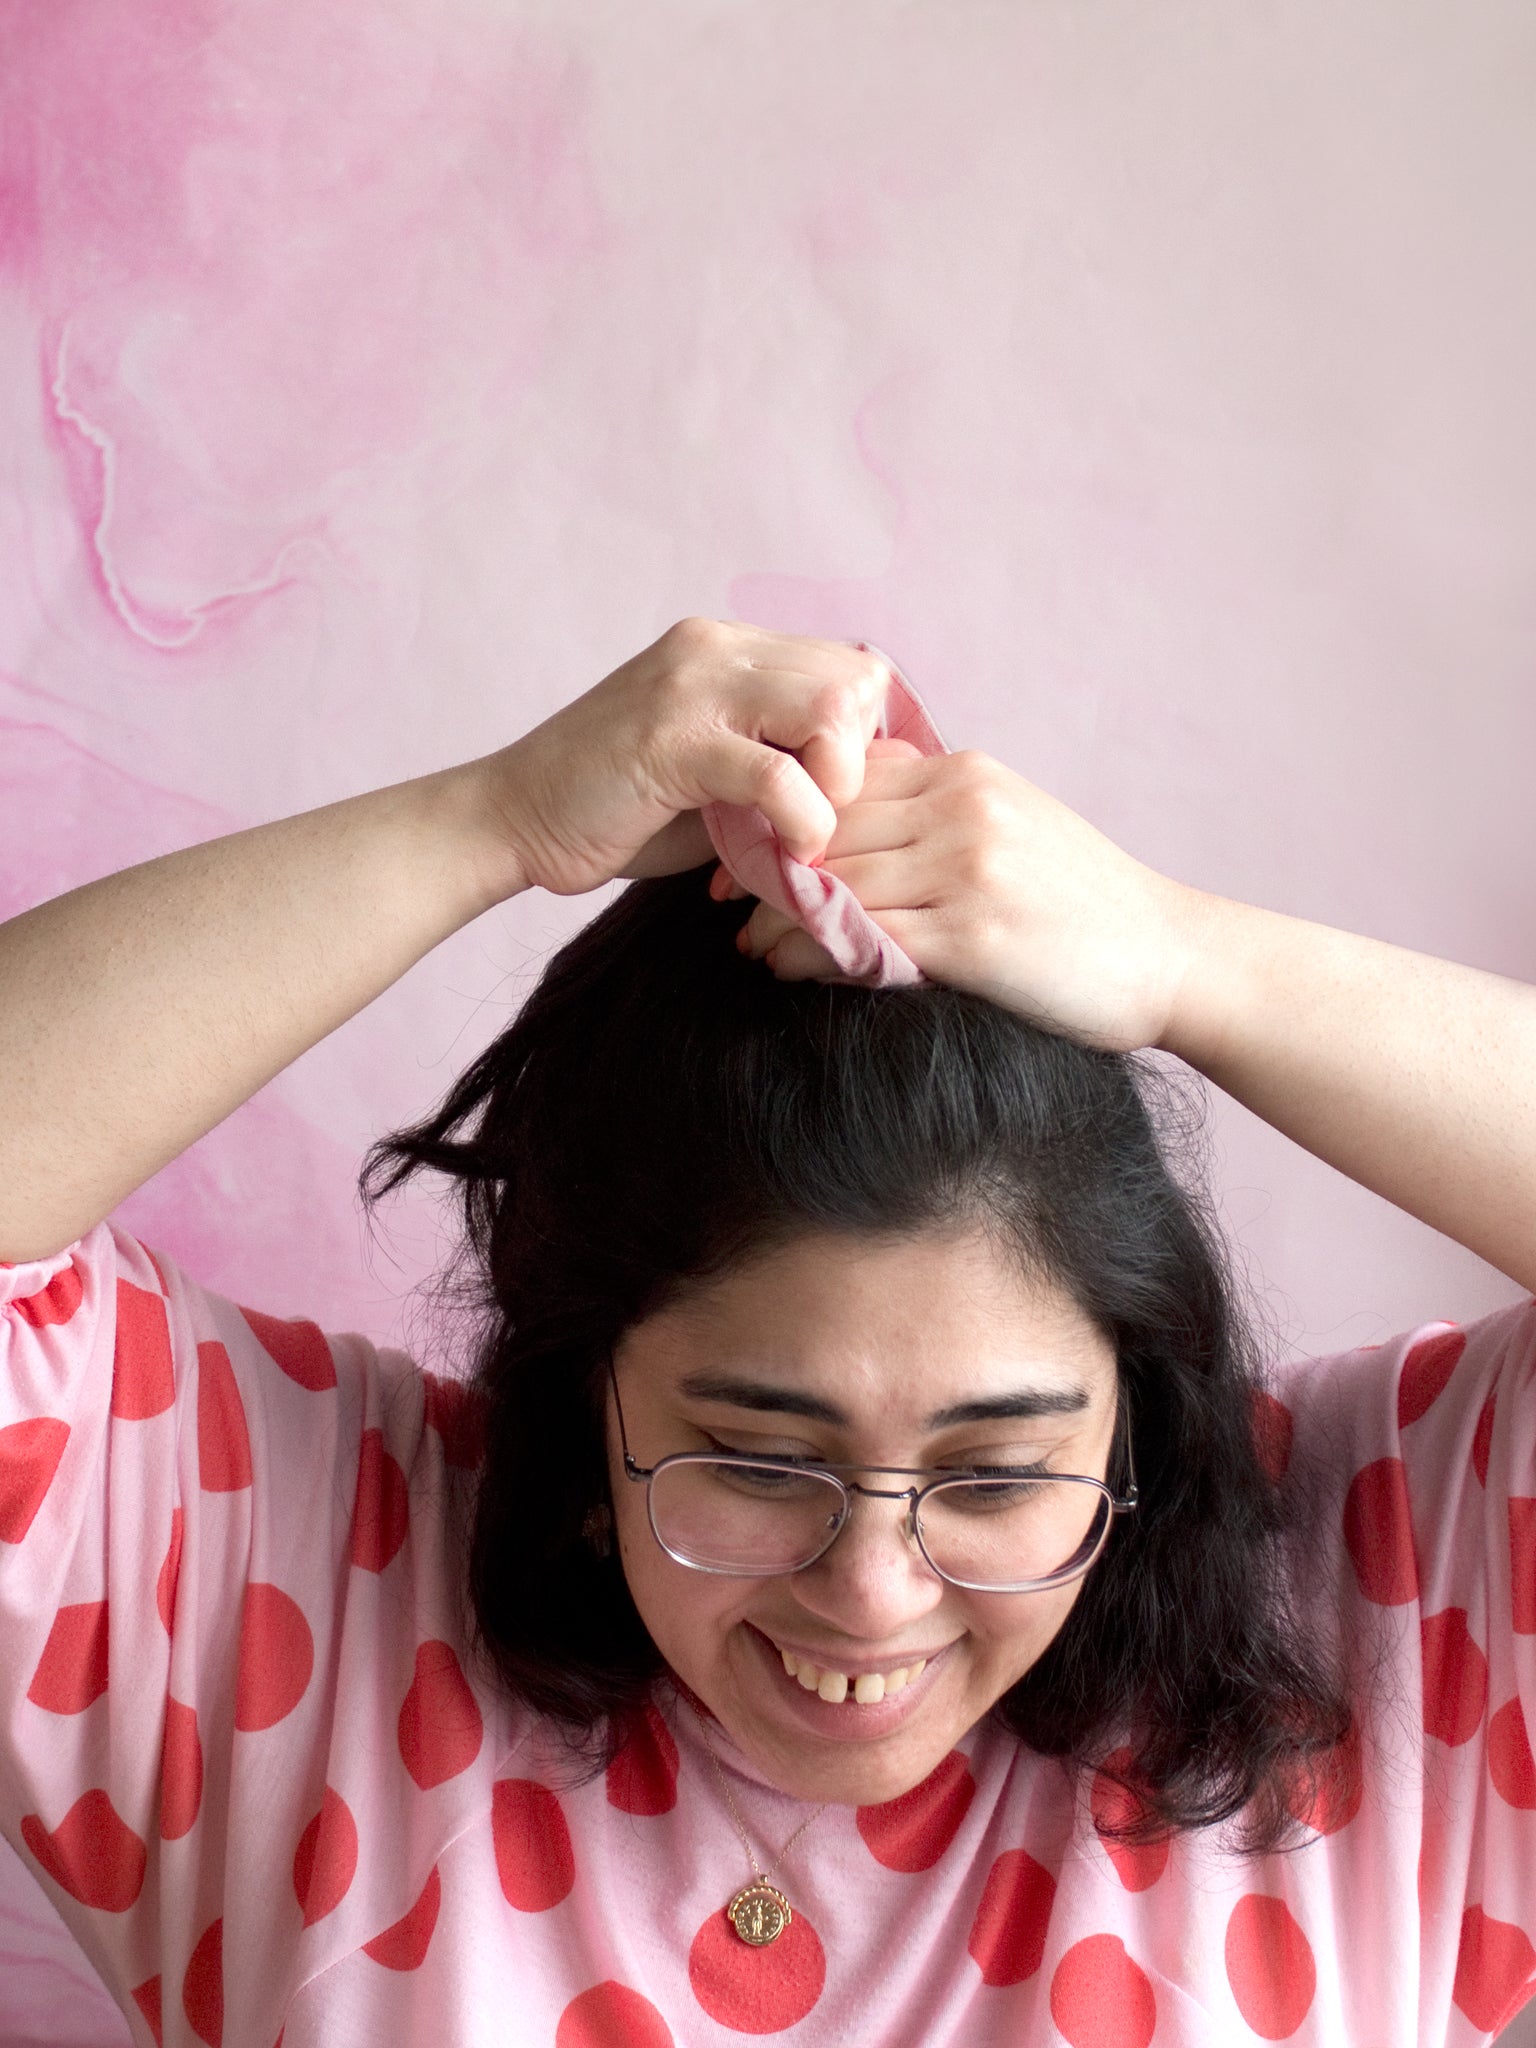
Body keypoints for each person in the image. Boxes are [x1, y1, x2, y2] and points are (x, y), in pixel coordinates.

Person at [0, 618, 1532, 2048]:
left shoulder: (1366, 1605)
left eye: (997, 1479)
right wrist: (495, 820)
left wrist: (1193, 960)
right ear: (590, 1381)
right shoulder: (310, 1572)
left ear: (1134, 1412)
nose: (872, 1597)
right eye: (751, 1459)